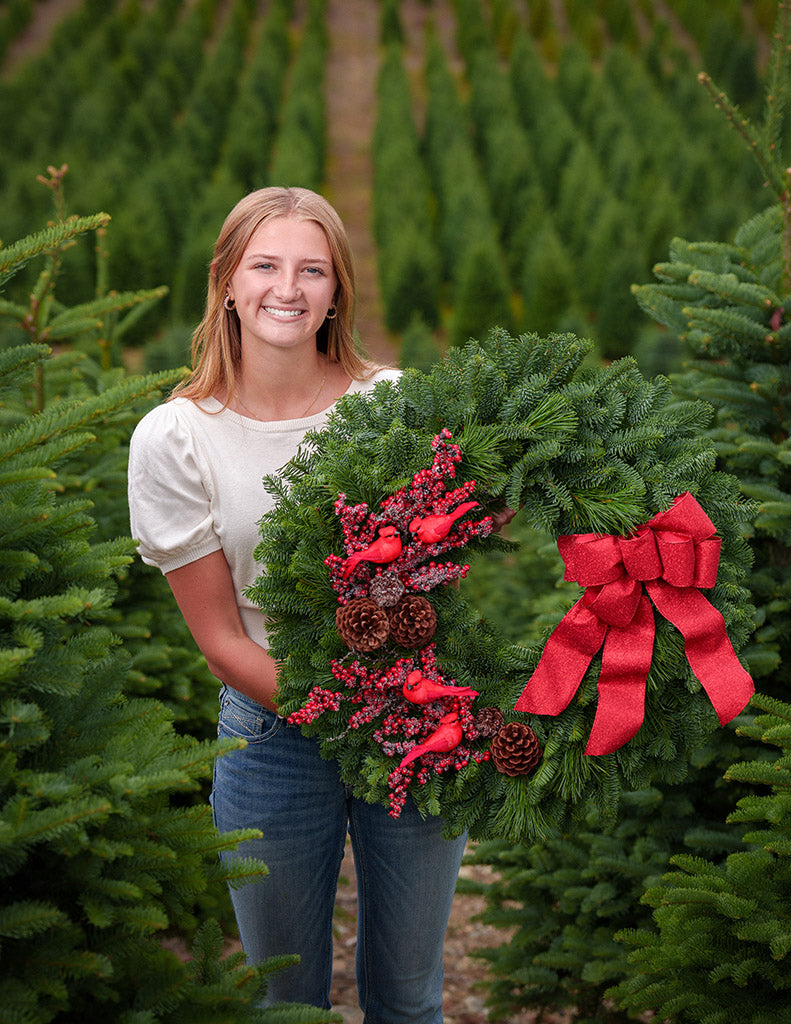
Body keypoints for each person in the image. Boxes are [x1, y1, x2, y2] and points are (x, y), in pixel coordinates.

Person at [127, 187, 467, 1018]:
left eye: (312, 269)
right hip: (272, 734)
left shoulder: (389, 406)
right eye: (266, 265)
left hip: (414, 727)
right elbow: (218, 638)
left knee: (411, 998)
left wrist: (408, 712)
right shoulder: (178, 438)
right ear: (229, 283)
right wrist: (355, 712)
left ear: (337, 290)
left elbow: (435, 578)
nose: (289, 287)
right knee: (286, 1000)